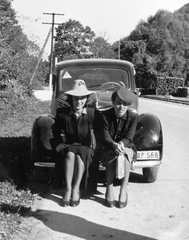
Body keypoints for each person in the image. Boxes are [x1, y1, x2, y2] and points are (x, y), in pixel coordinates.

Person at [53, 79, 98, 207]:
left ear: (87, 99)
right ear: (71, 99)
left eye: (82, 98)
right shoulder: (63, 114)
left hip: (84, 146)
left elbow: (101, 131)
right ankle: (67, 189)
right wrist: (59, 144)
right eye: (76, 98)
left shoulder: (92, 114)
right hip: (68, 145)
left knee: (80, 154)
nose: (79, 101)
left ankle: (76, 189)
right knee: (70, 154)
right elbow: (56, 132)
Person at [100, 87, 138, 208]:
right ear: (113, 103)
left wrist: (121, 144)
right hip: (109, 146)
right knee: (112, 154)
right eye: (118, 103)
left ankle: (123, 190)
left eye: (124, 104)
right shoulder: (105, 116)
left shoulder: (133, 117)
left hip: (126, 145)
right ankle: (109, 189)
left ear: (128, 105)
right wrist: (114, 144)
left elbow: (129, 137)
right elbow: (105, 136)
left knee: (125, 153)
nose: (121, 107)